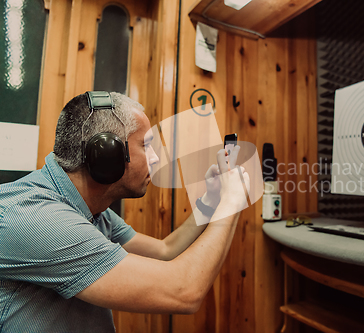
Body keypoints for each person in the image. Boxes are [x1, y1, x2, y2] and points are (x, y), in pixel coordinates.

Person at [0, 92, 249, 332]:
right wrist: (231, 202)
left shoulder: (90, 209)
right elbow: (184, 291)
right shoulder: (39, 219)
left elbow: (165, 251)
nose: (154, 158)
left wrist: (213, 199)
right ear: (107, 155)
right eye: (146, 145)